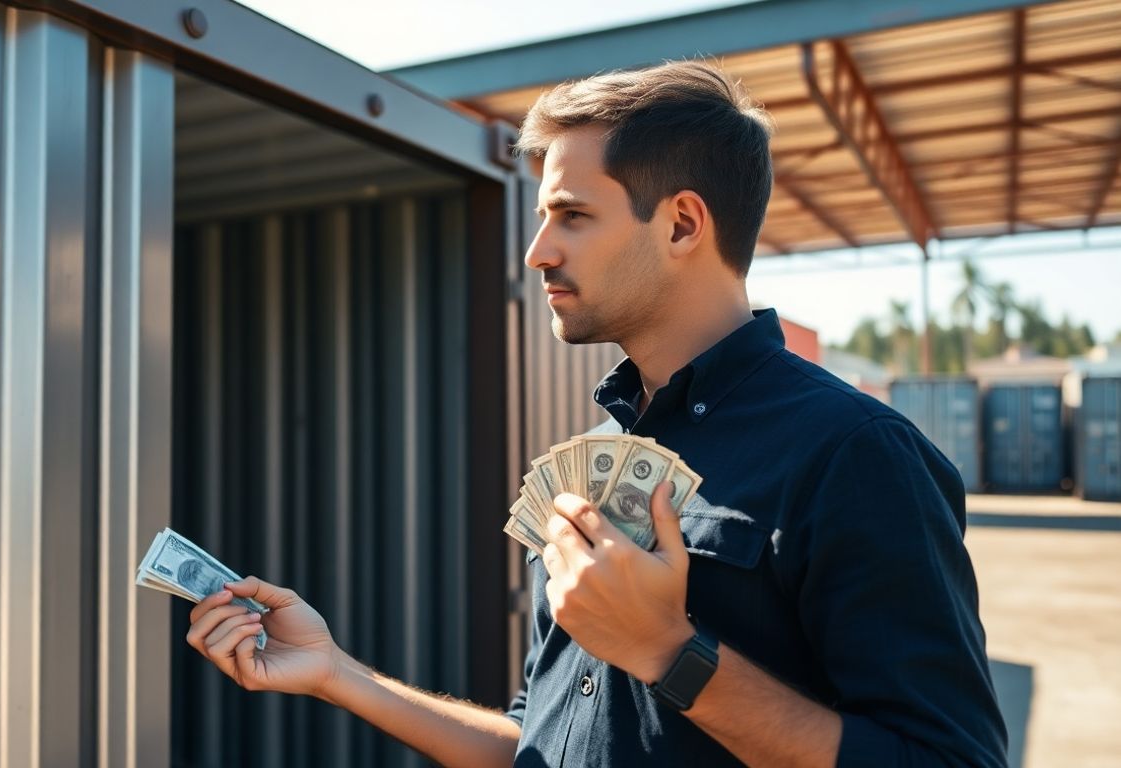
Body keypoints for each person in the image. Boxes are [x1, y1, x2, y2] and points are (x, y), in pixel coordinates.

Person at [186, 59, 1009, 767]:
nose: (536, 249)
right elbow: (539, 741)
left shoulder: (856, 454)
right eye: (544, 215)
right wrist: (337, 673)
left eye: (572, 215)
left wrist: (668, 653)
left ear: (682, 223)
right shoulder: (597, 450)